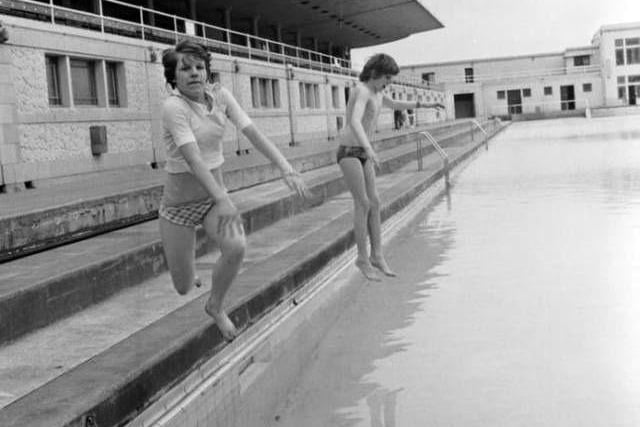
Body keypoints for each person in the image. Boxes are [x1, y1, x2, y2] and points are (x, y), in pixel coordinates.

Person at [159, 40, 310, 340]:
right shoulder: (173, 107)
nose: (194, 74)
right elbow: (194, 159)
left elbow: (254, 134)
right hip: (179, 207)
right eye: (185, 69)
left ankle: (215, 306)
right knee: (183, 286)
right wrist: (224, 199)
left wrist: (285, 167)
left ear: (208, 71)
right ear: (173, 78)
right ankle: (189, 269)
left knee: (237, 247)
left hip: (213, 201)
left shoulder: (222, 97)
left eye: (199, 67)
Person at [337, 53, 444, 281]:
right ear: (375, 73)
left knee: (375, 202)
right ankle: (362, 259)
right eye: (387, 78)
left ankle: (377, 255)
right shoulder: (362, 91)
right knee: (362, 203)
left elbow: (396, 104)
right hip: (349, 152)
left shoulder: (378, 92)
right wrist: (369, 149)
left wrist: (426, 103)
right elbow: (355, 121)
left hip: (363, 153)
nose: (389, 83)